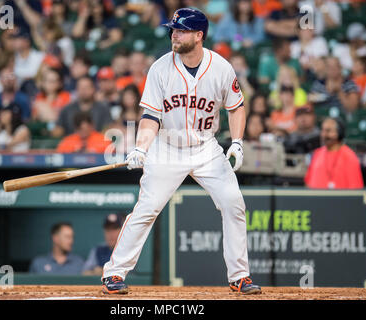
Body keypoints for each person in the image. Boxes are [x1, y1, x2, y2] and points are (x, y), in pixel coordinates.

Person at [101, 8, 261, 295]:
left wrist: (236, 141)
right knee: (147, 208)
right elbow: (150, 116)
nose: (174, 33)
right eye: (173, 29)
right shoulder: (160, 68)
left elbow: (236, 107)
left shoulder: (221, 67)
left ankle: (239, 276)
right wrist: (140, 147)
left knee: (233, 204)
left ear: (199, 35)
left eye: (181, 30)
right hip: (167, 148)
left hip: (206, 147)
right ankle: (114, 273)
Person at [304, 117, 364, 189]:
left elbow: (356, 190)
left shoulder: (349, 157)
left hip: (340, 200)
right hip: (316, 199)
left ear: (340, 133)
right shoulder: (317, 153)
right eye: (323, 130)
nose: (324, 135)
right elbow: (308, 183)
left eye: (328, 131)